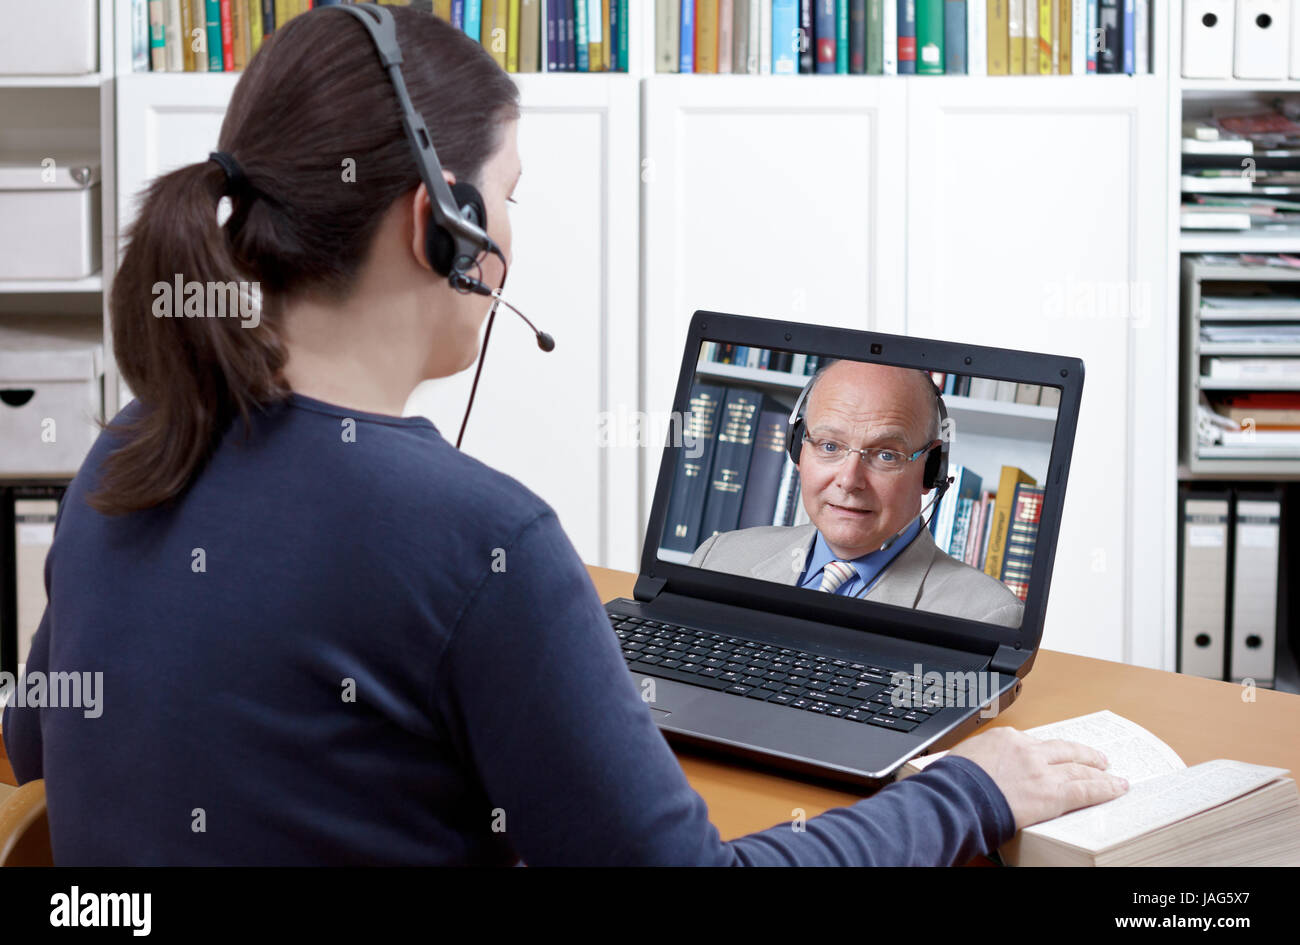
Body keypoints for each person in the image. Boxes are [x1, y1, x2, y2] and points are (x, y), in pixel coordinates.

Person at [0, 6, 1125, 864]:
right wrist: (968, 789)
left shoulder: (134, 445)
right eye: (509, 195)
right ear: (435, 225)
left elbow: (38, 743)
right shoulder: (477, 537)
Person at [690, 360, 1025, 627]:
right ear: (797, 450)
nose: (849, 481)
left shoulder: (985, 615)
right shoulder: (718, 560)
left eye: (886, 455)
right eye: (830, 445)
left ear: (930, 469)